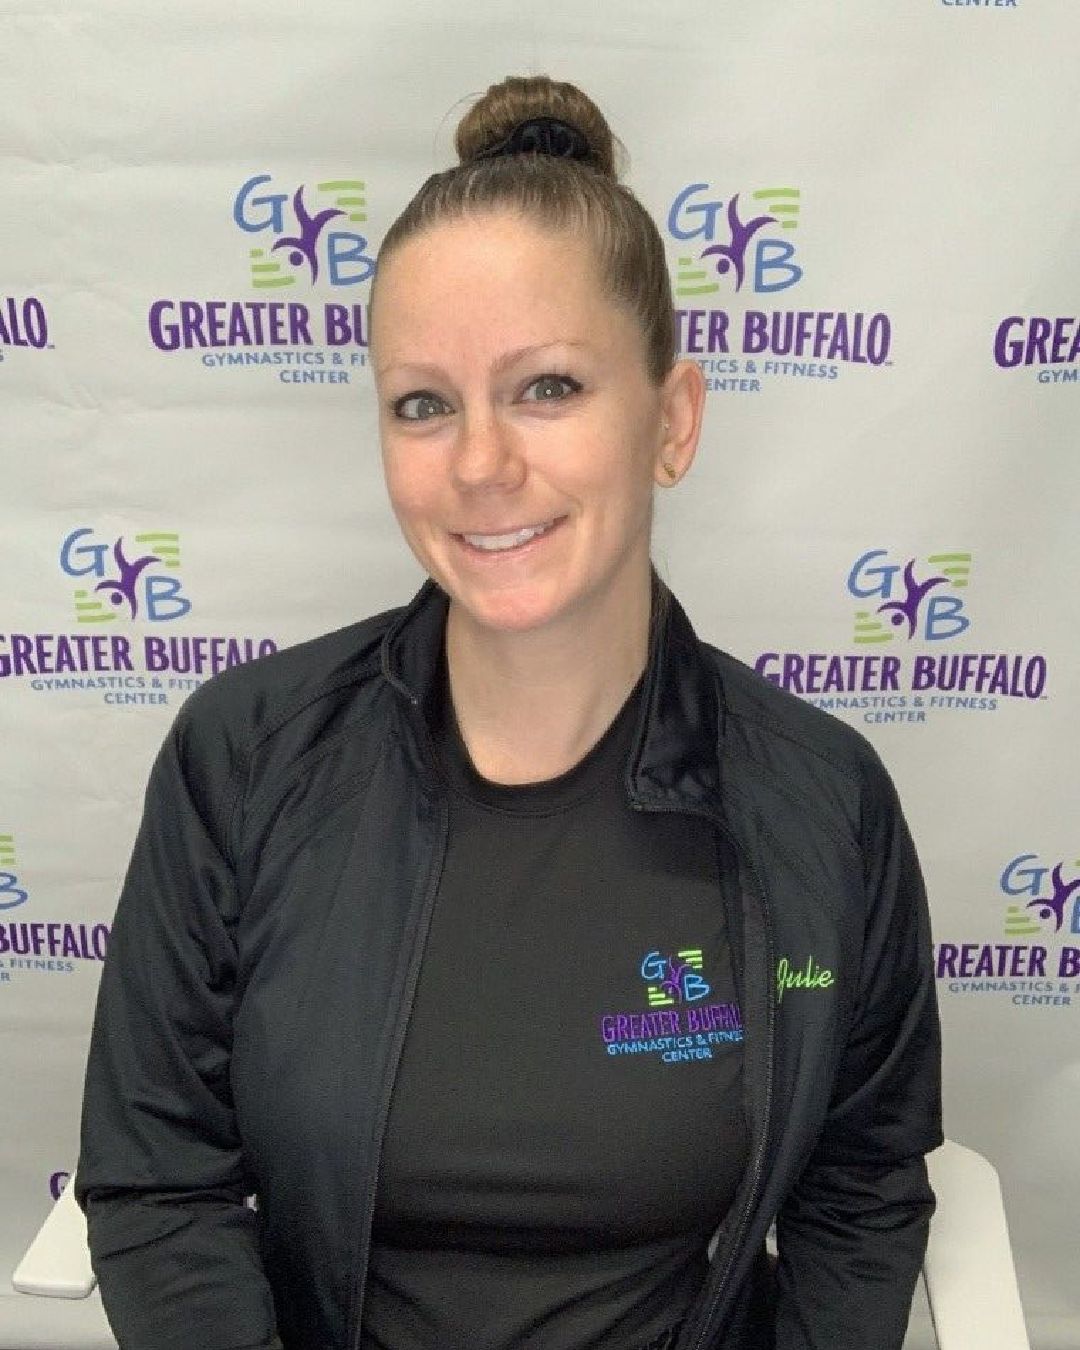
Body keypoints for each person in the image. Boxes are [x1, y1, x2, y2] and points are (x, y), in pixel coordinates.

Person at [76, 75, 942, 1350]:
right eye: (423, 404)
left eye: (547, 387)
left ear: (674, 421)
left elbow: (862, 1189)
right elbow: (159, 1180)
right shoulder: (246, 758)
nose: (480, 464)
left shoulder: (822, 802)